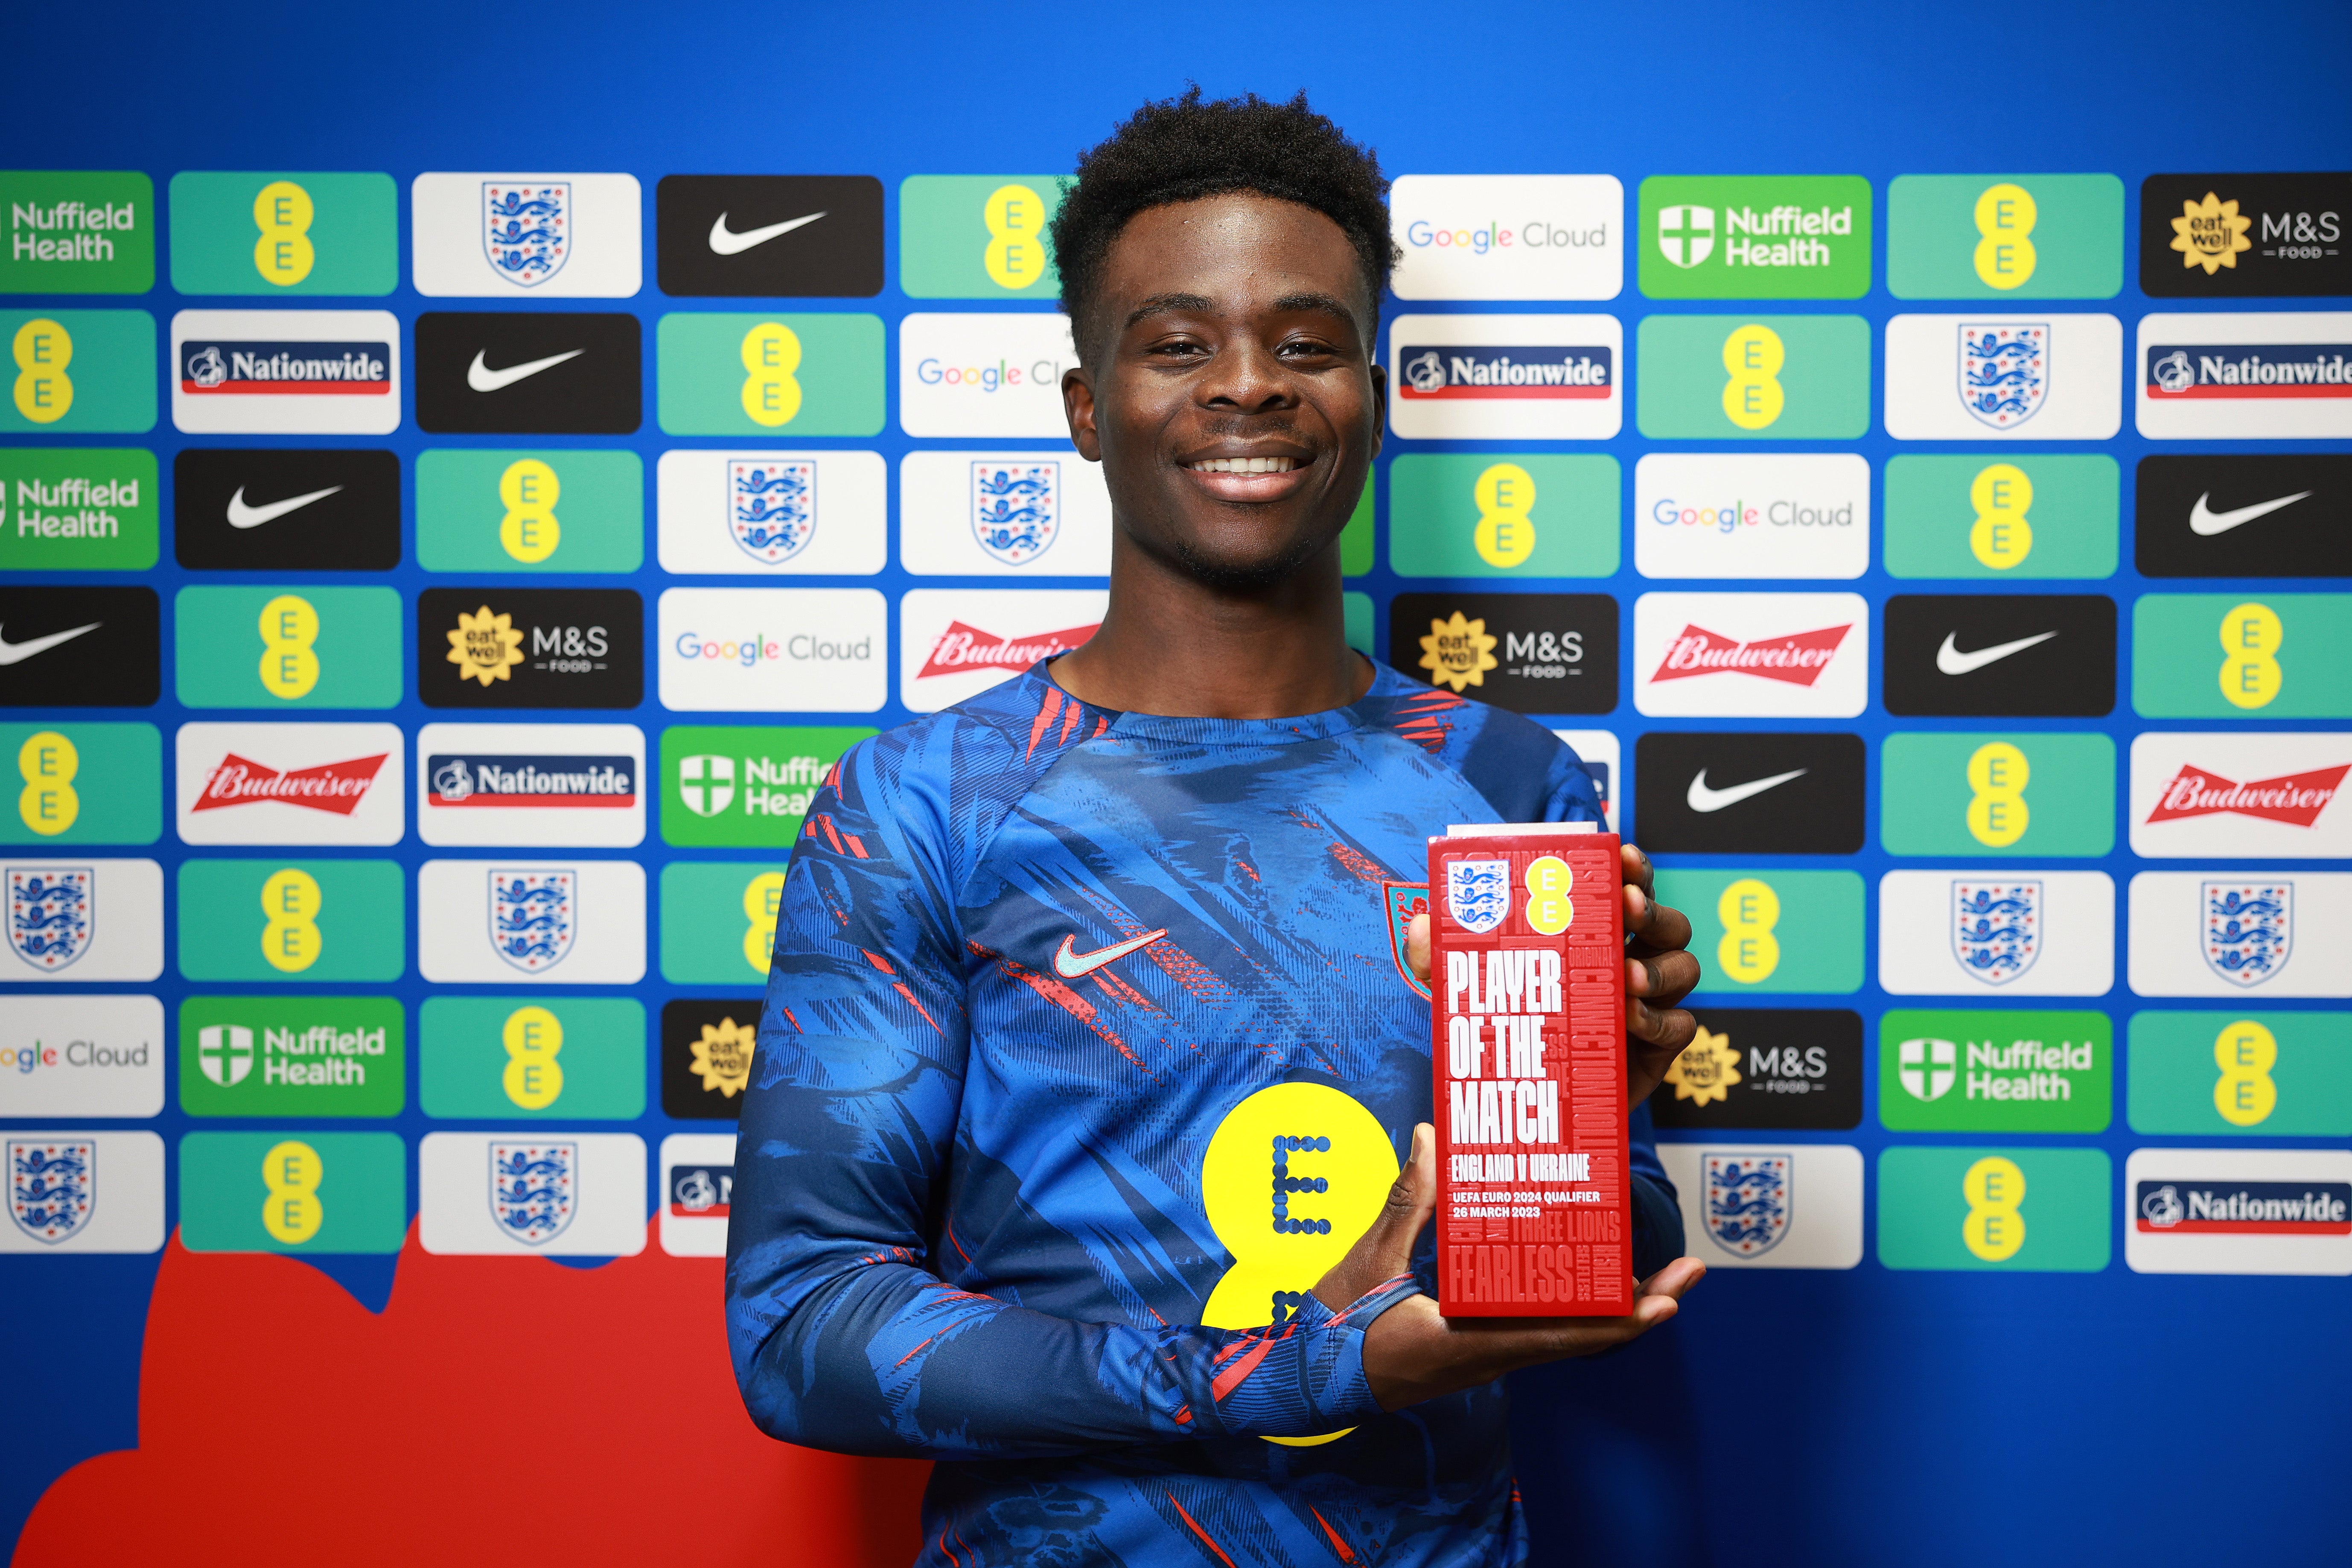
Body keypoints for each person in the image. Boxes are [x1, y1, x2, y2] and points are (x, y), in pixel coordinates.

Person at [726, 88, 1705, 1566]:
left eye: (1307, 342)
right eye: (1177, 342)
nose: (1248, 386)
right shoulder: (927, 797)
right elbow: (804, 1328)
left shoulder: (1507, 780)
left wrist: (1583, 1132)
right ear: (1084, 407)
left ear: (1372, 394)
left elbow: (1588, 1281)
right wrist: (1288, 1369)